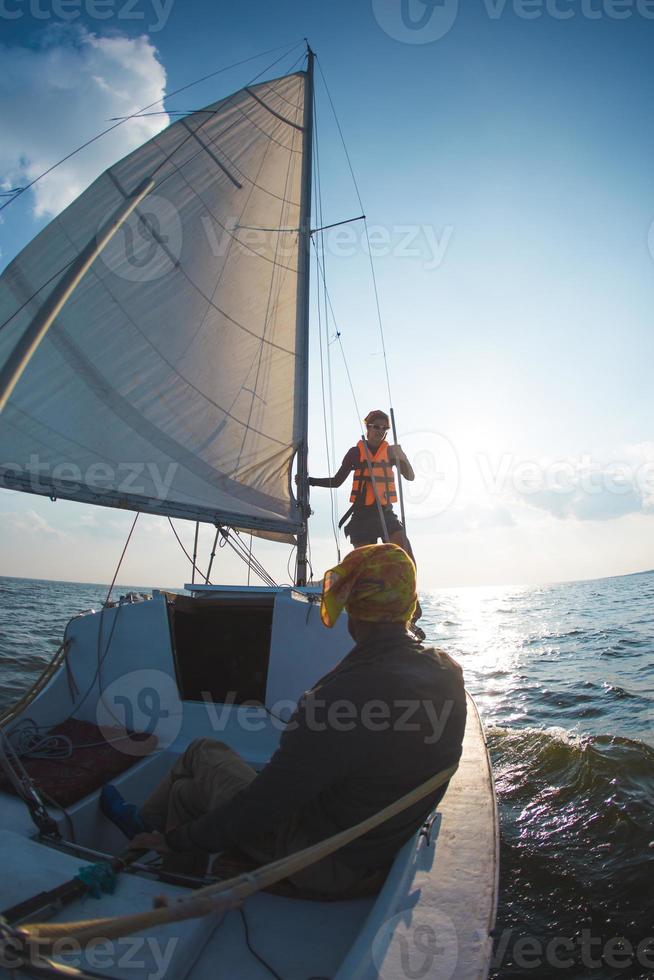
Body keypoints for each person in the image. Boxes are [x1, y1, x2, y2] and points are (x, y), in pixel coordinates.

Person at [100, 545, 466, 899]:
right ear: (407, 604)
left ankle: (155, 851)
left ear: (354, 612)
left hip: (327, 858)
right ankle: (155, 845)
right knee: (186, 795)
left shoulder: (342, 698)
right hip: (374, 846)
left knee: (201, 752)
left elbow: (264, 806)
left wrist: (181, 838)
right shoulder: (447, 671)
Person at [304, 410, 417, 556]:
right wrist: (309, 481)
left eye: (384, 428)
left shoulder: (390, 452)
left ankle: (404, 578)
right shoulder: (355, 453)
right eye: (376, 427)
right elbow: (337, 481)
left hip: (385, 512)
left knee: (405, 553)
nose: (380, 431)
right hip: (362, 515)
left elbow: (410, 476)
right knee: (365, 563)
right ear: (368, 428)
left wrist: (402, 456)